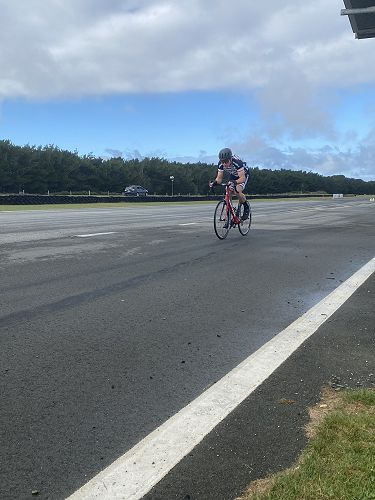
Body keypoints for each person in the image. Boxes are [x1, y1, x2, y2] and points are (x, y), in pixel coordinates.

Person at [209, 147, 250, 225]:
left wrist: (235, 182)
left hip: (243, 175)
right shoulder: (221, 164)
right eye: (222, 161)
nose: (224, 164)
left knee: (237, 190)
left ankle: (246, 206)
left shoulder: (237, 162)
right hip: (234, 175)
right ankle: (229, 214)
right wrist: (214, 183)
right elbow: (219, 179)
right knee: (228, 191)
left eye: (226, 161)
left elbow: (242, 178)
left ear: (230, 159)